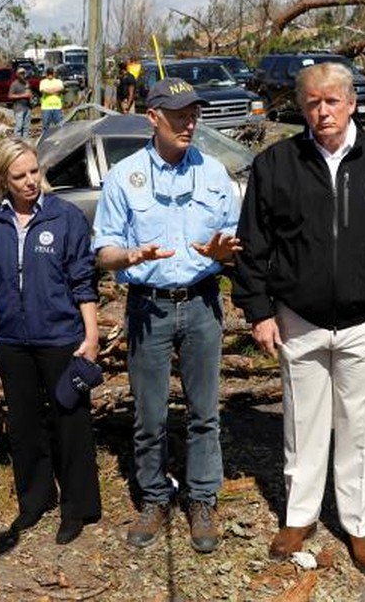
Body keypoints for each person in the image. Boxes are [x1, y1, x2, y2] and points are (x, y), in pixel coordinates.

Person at [232, 61, 365, 574]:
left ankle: (360, 526)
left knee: (361, 428)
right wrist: (258, 310)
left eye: (331, 101)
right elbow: (253, 245)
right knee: (303, 424)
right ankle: (299, 517)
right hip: (298, 319)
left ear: (352, 103)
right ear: (301, 109)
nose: (322, 112)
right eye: (312, 103)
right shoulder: (277, 163)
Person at [92, 78, 241, 554]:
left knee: (204, 412)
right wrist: (129, 257)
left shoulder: (216, 174)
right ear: (153, 118)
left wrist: (227, 252)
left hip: (201, 303)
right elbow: (104, 251)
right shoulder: (124, 176)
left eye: (193, 114)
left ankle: (201, 499)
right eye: (179, 115)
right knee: (150, 415)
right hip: (148, 309)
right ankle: (154, 497)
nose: (189, 123)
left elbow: (236, 245)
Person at [0, 138, 101, 545]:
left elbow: (83, 281)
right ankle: (35, 499)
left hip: (61, 336)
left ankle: (77, 507)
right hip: (11, 340)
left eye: (34, 172)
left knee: (70, 422)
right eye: (20, 175)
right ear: (1, 179)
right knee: (24, 425)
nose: (30, 182)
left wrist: (92, 335)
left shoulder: (65, 217)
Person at [39, 69, 65, 138]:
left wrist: (49, 90)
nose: (50, 75)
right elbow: (43, 90)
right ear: (46, 74)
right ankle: (45, 140)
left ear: (54, 73)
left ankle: (59, 139)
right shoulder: (43, 82)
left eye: (51, 73)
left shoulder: (58, 81)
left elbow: (61, 88)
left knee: (59, 125)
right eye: (48, 73)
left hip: (57, 106)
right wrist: (54, 91)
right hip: (46, 107)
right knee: (45, 126)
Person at [8, 67, 33, 139]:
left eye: (24, 73)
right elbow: (10, 96)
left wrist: (30, 95)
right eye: (21, 73)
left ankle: (26, 143)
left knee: (26, 127)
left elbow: (29, 93)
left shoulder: (27, 83)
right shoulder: (14, 84)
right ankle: (18, 144)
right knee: (19, 127)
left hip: (27, 107)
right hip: (19, 108)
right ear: (17, 75)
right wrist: (22, 95)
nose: (23, 75)